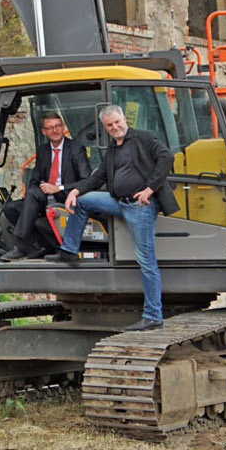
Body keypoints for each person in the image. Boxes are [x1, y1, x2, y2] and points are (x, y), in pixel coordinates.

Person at [57, 102, 177, 332]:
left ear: (125, 120)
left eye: (117, 122)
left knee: (146, 262)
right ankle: (69, 250)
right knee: (82, 201)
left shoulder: (144, 138)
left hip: (140, 207)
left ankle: (153, 315)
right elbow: (98, 177)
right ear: (105, 126)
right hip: (119, 203)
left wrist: (150, 189)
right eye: (110, 125)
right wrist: (75, 191)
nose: (115, 127)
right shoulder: (113, 149)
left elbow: (166, 158)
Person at [0, 112, 90, 259]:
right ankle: (46, 245)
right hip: (43, 196)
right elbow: (35, 179)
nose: (55, 130)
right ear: (44, 131)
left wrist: (58, 188)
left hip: (66, 195)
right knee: (11, 208)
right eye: (50, 128)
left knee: (33, 194)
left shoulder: (76, 149)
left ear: (63, 127)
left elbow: (86, 179)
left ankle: (20, 246)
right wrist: (42, 187)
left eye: (57, 126)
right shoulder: (43, 151)